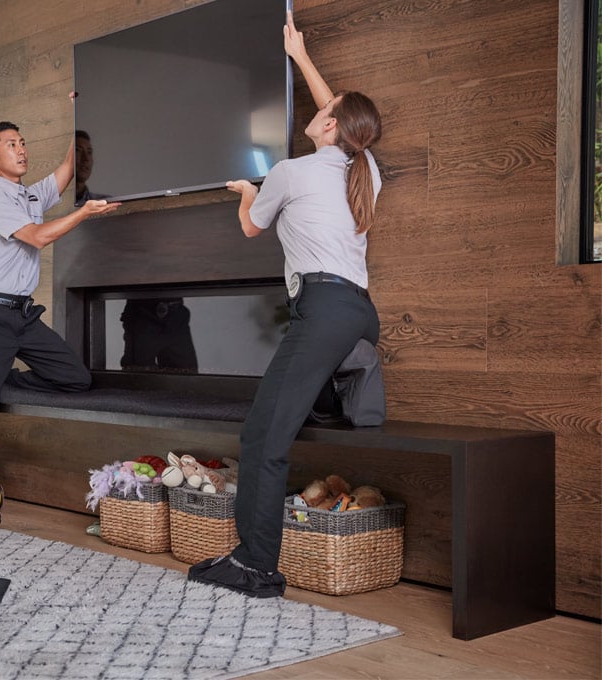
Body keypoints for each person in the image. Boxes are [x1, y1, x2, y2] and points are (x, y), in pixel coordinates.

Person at [188, 10, 383, 597]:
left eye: (323, 111)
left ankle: (256, 565)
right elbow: (345, 120)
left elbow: (251, 228)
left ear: (330, 127)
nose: (315, 112)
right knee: (295, 414)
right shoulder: (365, 170)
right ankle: (346, 379)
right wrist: (300, 57)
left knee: (261, 437)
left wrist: (248, 193)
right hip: (357, 313)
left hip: (320, 310)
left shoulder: (290, 172)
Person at [0, 114, 121, 527]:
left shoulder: (29, 196)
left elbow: (66, 170)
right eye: (11, 144)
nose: (21, 149)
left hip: (21, 317)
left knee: (76, 377)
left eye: (22, 142)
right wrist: (84, 213)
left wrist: (82, 116)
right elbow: (38, 237)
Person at [74, 129, 110, 206]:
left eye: (89, 152)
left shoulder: (104, 203)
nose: (86, 159)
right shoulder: (50, 201)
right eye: (78, 150)